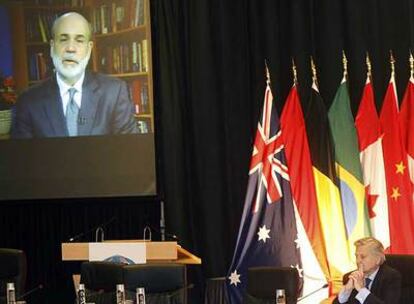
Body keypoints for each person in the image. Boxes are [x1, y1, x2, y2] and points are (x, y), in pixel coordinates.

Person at [11, 12, 138, 138]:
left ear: (89, 49)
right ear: (52, 47)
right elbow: (23, 157)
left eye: (79, 40)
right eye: (63, 39)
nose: (70, 48)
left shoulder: (114, 92)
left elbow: (130, 150)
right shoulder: (28, 101)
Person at [333, 237, 401, 304]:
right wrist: (347, 291)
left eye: (363, 257)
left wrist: (362, 290)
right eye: (356, 256)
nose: (358, 261)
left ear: (377, 260)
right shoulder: (350, 277)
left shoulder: (391, 277)